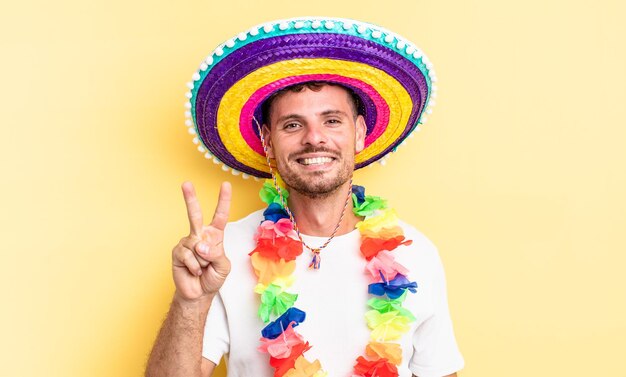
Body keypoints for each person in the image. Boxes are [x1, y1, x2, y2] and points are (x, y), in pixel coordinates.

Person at [146, 18, 464, 377]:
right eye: (293, 125)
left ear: (359, 133)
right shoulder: (226, 253)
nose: (315, 138)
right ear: (267, 141)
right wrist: (191, 302)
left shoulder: (414, 254)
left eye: (331, 121)